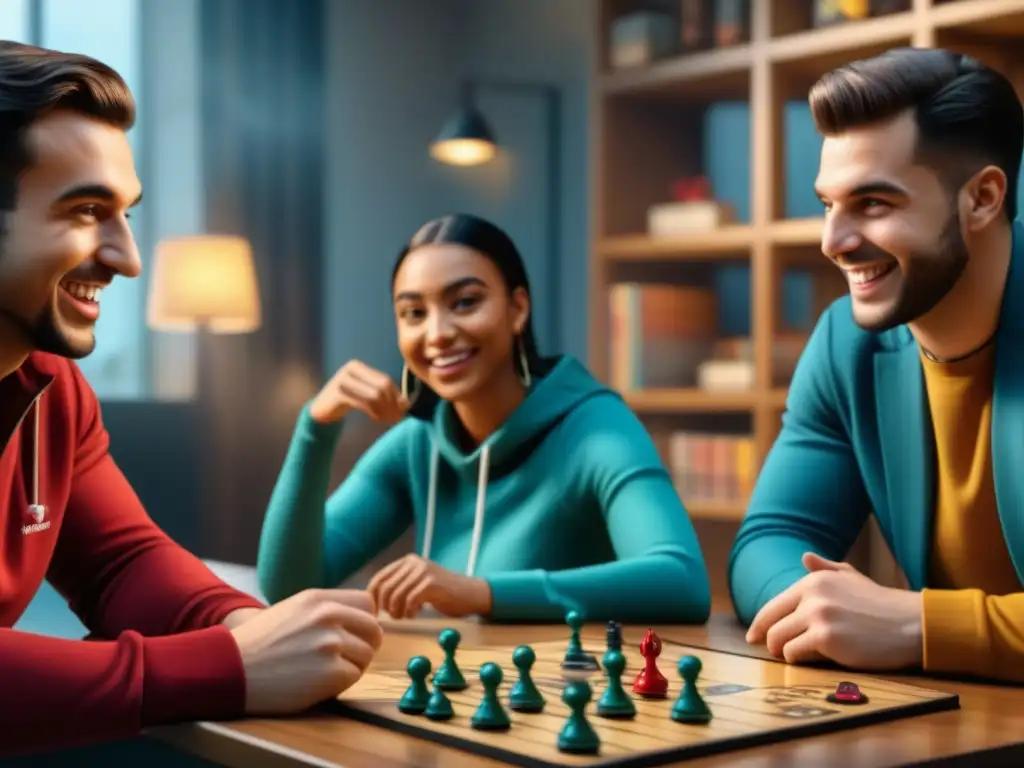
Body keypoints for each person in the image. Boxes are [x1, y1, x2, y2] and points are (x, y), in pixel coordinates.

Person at [0, 41, 383, 757]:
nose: (127, 258)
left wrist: (245, 626)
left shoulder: (55, 388)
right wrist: (230, 667)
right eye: (86, 211)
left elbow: (121, 564)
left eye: (126, 216)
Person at [729, 47, 1024, 683]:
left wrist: (914, 625)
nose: (833, 242)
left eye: (873, 203)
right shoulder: (846, 344)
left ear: (983, 199)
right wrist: (822, 609)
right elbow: (770, 539)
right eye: (828, 204)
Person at [257, 213, 711, 624]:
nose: (437, 334)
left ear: (518, 309)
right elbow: (289, 587)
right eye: (413, 313)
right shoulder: (416, 444)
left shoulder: (595, 430)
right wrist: (315, 428)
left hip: (569, 699)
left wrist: (480, 593)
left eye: (465, 302)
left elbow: (682, 580)